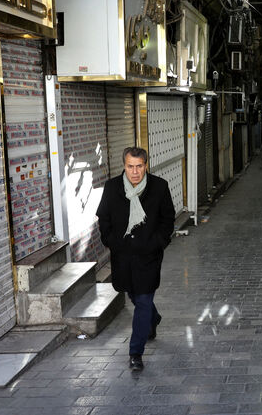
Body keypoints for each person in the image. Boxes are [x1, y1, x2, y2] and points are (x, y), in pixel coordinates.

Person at [96, 147, 175, 372]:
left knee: (142, 299)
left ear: (146, 166)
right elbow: (104, 217)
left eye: (139, 166)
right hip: (123, 255)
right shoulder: (112, 187)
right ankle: (153, 317)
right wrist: (112, 241)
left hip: (149, 255)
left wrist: (158, 242)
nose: (134, 172)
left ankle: (135, 352)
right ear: (124, 165)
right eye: (130, 166)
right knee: (133, 293)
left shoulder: (159, 187)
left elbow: (167, 219)